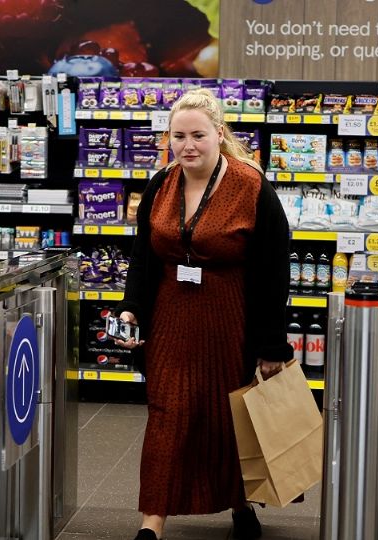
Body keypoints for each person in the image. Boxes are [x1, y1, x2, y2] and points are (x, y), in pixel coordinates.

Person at [114, 88, 293, 540]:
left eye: (198, 135)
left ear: (219, 133)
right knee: (167, 413)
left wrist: (272, 343)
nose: (187, 145)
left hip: (230, 317)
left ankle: (239, 502)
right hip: (172, 316)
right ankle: (151, 521)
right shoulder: (161, 184)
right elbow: (143, 256)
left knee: (226, 415)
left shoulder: (251, 186)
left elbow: (274, 269)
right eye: (178, 136)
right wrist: (132, 308)